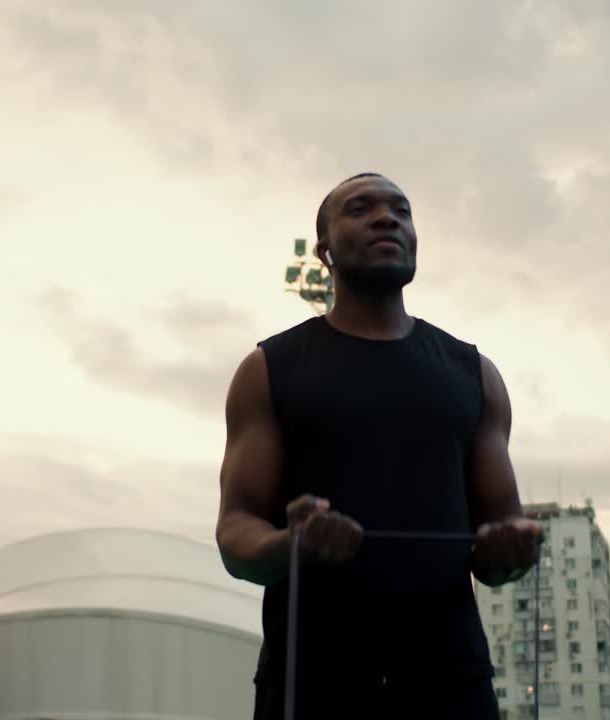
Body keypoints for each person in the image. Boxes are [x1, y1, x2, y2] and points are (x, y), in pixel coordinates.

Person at [216, 173, 541, 720]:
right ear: (324, 251)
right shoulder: (268, 370)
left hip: (450, 685)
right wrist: (291, 544)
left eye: (402, 210)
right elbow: (235, 531)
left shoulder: (475, 374)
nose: (387, 218)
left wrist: (512, 553)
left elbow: (498, 545)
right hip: (312, 684)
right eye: (360, 208)